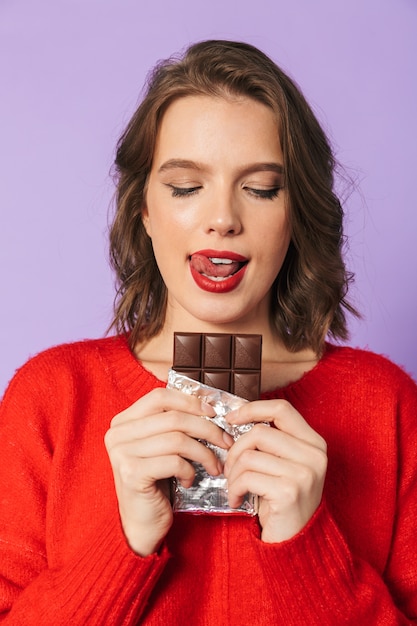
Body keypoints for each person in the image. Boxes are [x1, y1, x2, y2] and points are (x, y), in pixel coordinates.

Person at [0, 39, 416, 625]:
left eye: (261, 187)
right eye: (186, 186)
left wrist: (307, 547)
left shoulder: (386, 406)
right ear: (143, 208)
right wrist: (124, 541)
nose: (222, 217)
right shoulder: (54, 396)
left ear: (296, 212)